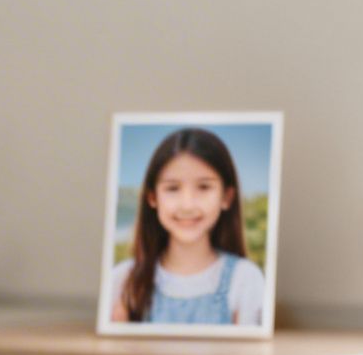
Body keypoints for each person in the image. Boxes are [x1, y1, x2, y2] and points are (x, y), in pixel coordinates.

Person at [106, 127, 267, 326]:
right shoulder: (122, 281)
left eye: (204, 187)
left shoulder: (245, 280)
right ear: (153, 197)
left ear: (226, 197)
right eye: (172, 188)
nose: (187, 205)